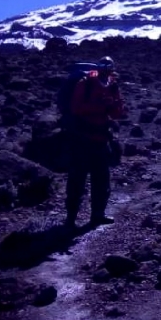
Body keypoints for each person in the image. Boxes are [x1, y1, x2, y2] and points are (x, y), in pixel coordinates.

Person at [63, 58, 126, 229]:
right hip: (82, 138)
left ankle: (97, 215)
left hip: (100, 139)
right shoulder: (86, 84)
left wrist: (113, 105)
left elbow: (116, 113)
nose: (107, 72)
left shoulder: (112, 85)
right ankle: (70, 219)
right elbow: (76, 108)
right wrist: (99, 106)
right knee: (77, 179)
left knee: (101, 179)